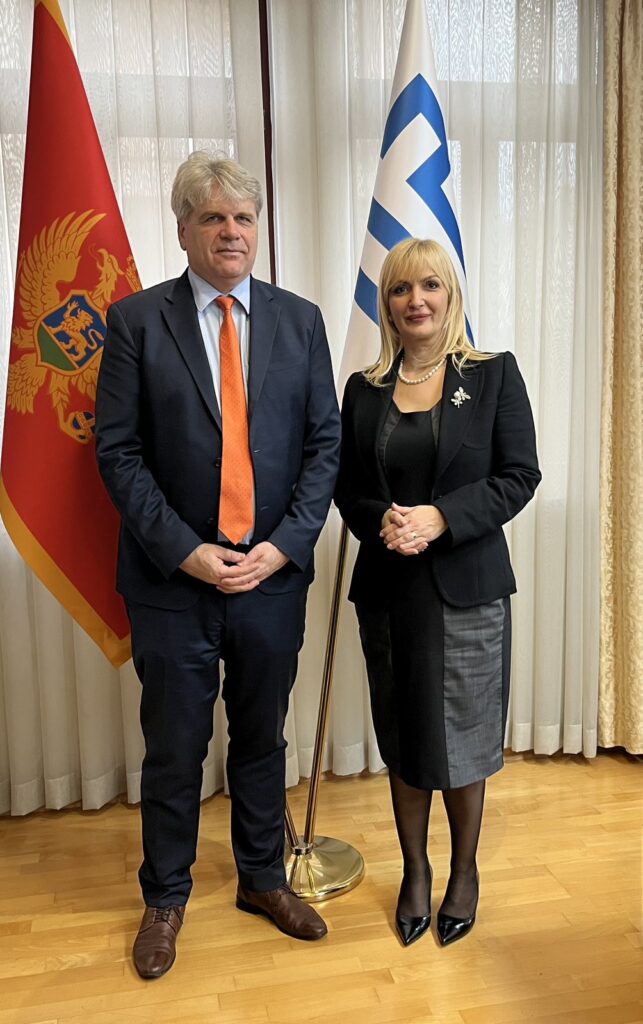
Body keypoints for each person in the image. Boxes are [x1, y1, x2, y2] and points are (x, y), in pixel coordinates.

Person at [95, 152, 341, 978]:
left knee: (262, 738)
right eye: (213, 218)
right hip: (173, 583)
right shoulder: (135, 322)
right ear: (183, 230)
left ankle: (262, 879)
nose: (231, 231)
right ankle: (165, 897)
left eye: (243, 217)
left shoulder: (299, 321)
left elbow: (324, 445)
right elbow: (118, 453)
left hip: (271, 577)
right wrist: (186, 552)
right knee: (174, 746)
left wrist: (285, 544)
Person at [335, 238, 540, 948]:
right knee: (404, 732)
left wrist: (443, 517)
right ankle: (415, 870)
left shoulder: (491, 374)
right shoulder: (363, 388)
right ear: (386, 303)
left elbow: (519, 475)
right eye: (400, 289)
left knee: (464, 733)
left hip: (467, 590)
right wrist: (383, 522)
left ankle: (463, 871)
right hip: (390, 588)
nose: (415, 300)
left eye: (429, 286)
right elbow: (347, 487)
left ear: (450, 295)